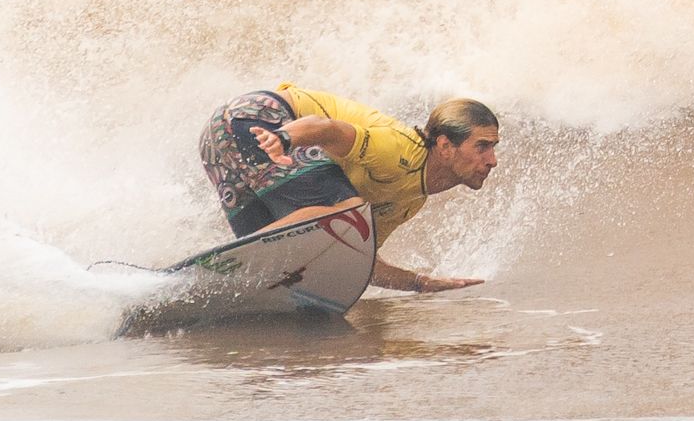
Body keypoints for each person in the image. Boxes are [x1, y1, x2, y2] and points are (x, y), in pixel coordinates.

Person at [194, 85, 502, 293]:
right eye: (482, 147)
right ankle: (200, 275)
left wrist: (420, 283)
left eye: (493, 147)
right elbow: (327, 128)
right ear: (446, 146)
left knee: (279, 277)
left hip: (216, 141)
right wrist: (283, 138)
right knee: (349, 212)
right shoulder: (400, 150)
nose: (493, 160)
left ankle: (190, 281)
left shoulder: (411, 200)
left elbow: (358, 255)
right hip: (257, 118)